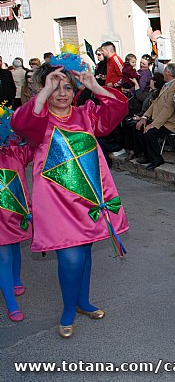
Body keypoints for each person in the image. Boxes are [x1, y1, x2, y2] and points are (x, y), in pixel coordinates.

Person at [11, 62, 129, 338]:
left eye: (67, 86)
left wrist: (95, 86)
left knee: (85, 252)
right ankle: (68, 310)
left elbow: (117, 110)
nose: (62, 93)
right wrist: (44, 92)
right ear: (43, 89)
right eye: (55, 87)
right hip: (56, 204)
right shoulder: (39, 120)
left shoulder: (86, 115)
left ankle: (82, 302)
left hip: (88, 200)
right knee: (71, 258)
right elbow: (20, 124)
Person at [0, 107, 33, 323]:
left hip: (15, 213)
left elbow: (36, 143)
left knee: (15, 245)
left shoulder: (15, 152)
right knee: (4, 255)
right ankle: (11, 303)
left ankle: (16, 279)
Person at [136, 63, 175, 170]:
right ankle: (148, 155)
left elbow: (168, 108)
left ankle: (156, 159)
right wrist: (144, 117)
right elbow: (155, 103)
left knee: (150, 132)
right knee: (139, 127)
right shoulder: (166, 85)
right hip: (160, 120)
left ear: (169, 73)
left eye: (165, 71)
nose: (163, 73)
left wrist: (154, 124)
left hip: (170, 122)